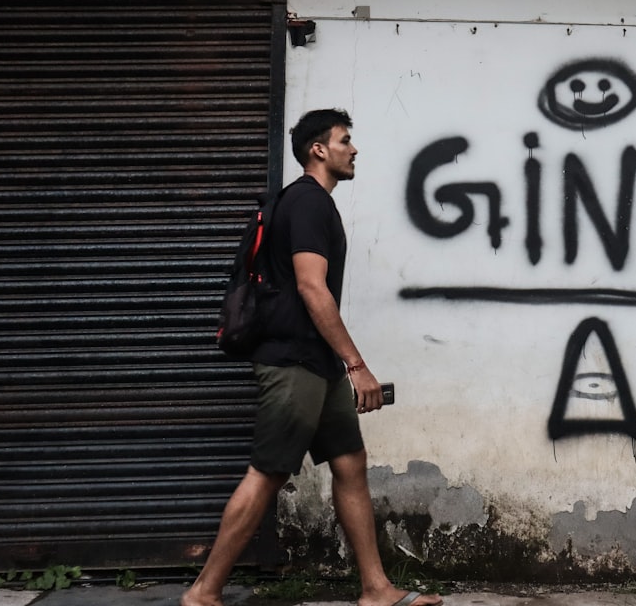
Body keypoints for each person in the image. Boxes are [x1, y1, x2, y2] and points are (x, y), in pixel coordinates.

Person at [182, 109, 443, 606]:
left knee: (350, 463)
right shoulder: (307, 203)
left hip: (316, 363)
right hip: (294, 361)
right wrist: (357, 364)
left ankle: (376, 589)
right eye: (346, 140)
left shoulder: (309, 204)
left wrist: (337, 362)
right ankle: (204, 592)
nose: (354, 148)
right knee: (269, 472)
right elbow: (311, 288)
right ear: (318, 150)